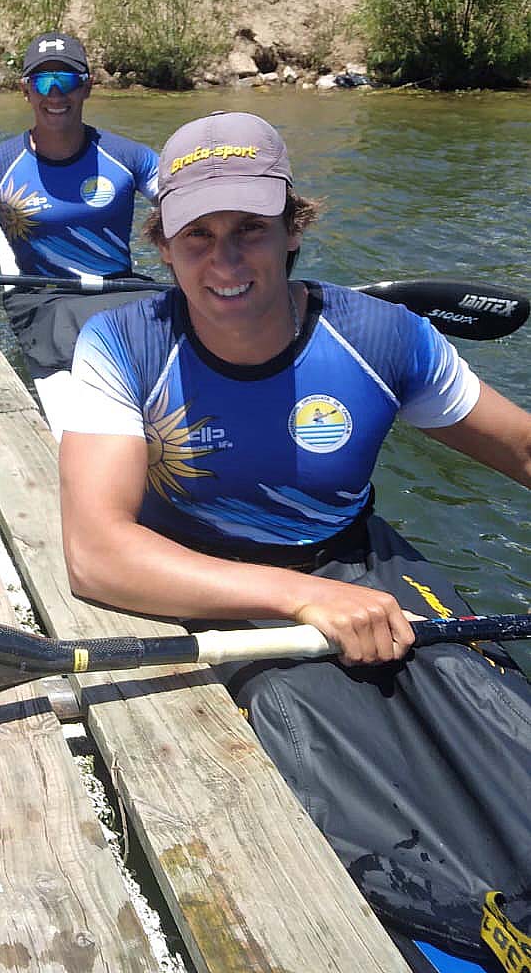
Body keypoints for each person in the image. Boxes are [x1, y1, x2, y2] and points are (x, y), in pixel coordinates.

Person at [59, 112, 531, 963]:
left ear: (293, 229)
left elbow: (523, 449)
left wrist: (332, 584)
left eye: (250, 231)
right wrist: (301, 595)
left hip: (362, 559)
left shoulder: (384, 338)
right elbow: (97, 554)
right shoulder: (124, 346)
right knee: (334, 763)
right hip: (208, 582)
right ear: (161, 245)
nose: (226, 262)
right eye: (196, 236)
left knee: (496, 723)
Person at [0, 31, 159, 438]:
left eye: (65, 82)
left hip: (122, 290)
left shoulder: (130, 157)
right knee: (97, 332)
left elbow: (189, 215)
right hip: (44, 296)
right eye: (44, 83)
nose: (55, 95)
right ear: (26, 90)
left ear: (86, 88)